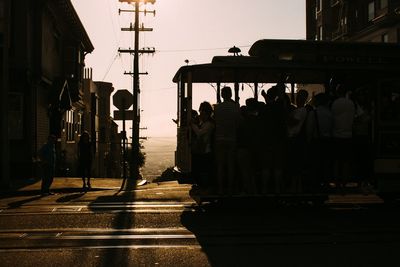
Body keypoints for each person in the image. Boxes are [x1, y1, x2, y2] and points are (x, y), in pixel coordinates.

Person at [214, 86, 240, 195]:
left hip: (219, 138)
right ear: (231, 94)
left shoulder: (217, 108)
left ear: (221, 95)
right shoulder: (235, 107)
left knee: (220, 165)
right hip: (232, 138)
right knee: (230, 164)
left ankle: (220, 188)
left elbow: (215, 121)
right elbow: (239, 122)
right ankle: (230, 188)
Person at [331, 84, 355, 193]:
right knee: (346, 162)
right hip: (348, 135)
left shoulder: (335, 104)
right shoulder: (351, 103)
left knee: (337, 161)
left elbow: (332, 118)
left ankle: (337, 183)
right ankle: (344, 183)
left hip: (336, 135)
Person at [191, 102, 215, 191]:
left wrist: (192, 125)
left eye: (201, 112)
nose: (200, 114)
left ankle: (204, 187)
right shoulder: (204, 123)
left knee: (204, 170)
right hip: (202, 150)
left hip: (206, 150)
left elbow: (199, 133)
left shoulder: (209, 124)